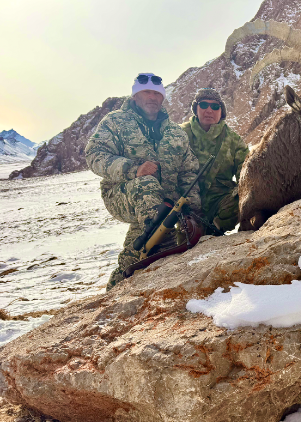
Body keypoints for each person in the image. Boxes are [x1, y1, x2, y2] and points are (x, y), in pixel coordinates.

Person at [85, 73, 201, 291]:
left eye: (157, 93)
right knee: (145, 185)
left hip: (164, 204)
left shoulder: (175, 133)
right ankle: (162, 241)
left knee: (135, 254)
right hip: (123, 195)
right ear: (135, 96)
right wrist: (132, 169)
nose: (152, 97)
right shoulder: (115, 122)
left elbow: (189, 172)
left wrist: (192, 213)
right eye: (147, 92)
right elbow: (94, 154)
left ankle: (114, 290)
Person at [180, 88, 249, 232]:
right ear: (196, 109)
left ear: (221, 112)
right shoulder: (179, 135)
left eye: (215, 106)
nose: (209, 110)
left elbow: (245, 176)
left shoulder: (233, 140)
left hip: (220, 203)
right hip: (185, 204)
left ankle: (214, 230)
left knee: (244, 195)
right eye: (204, 105)